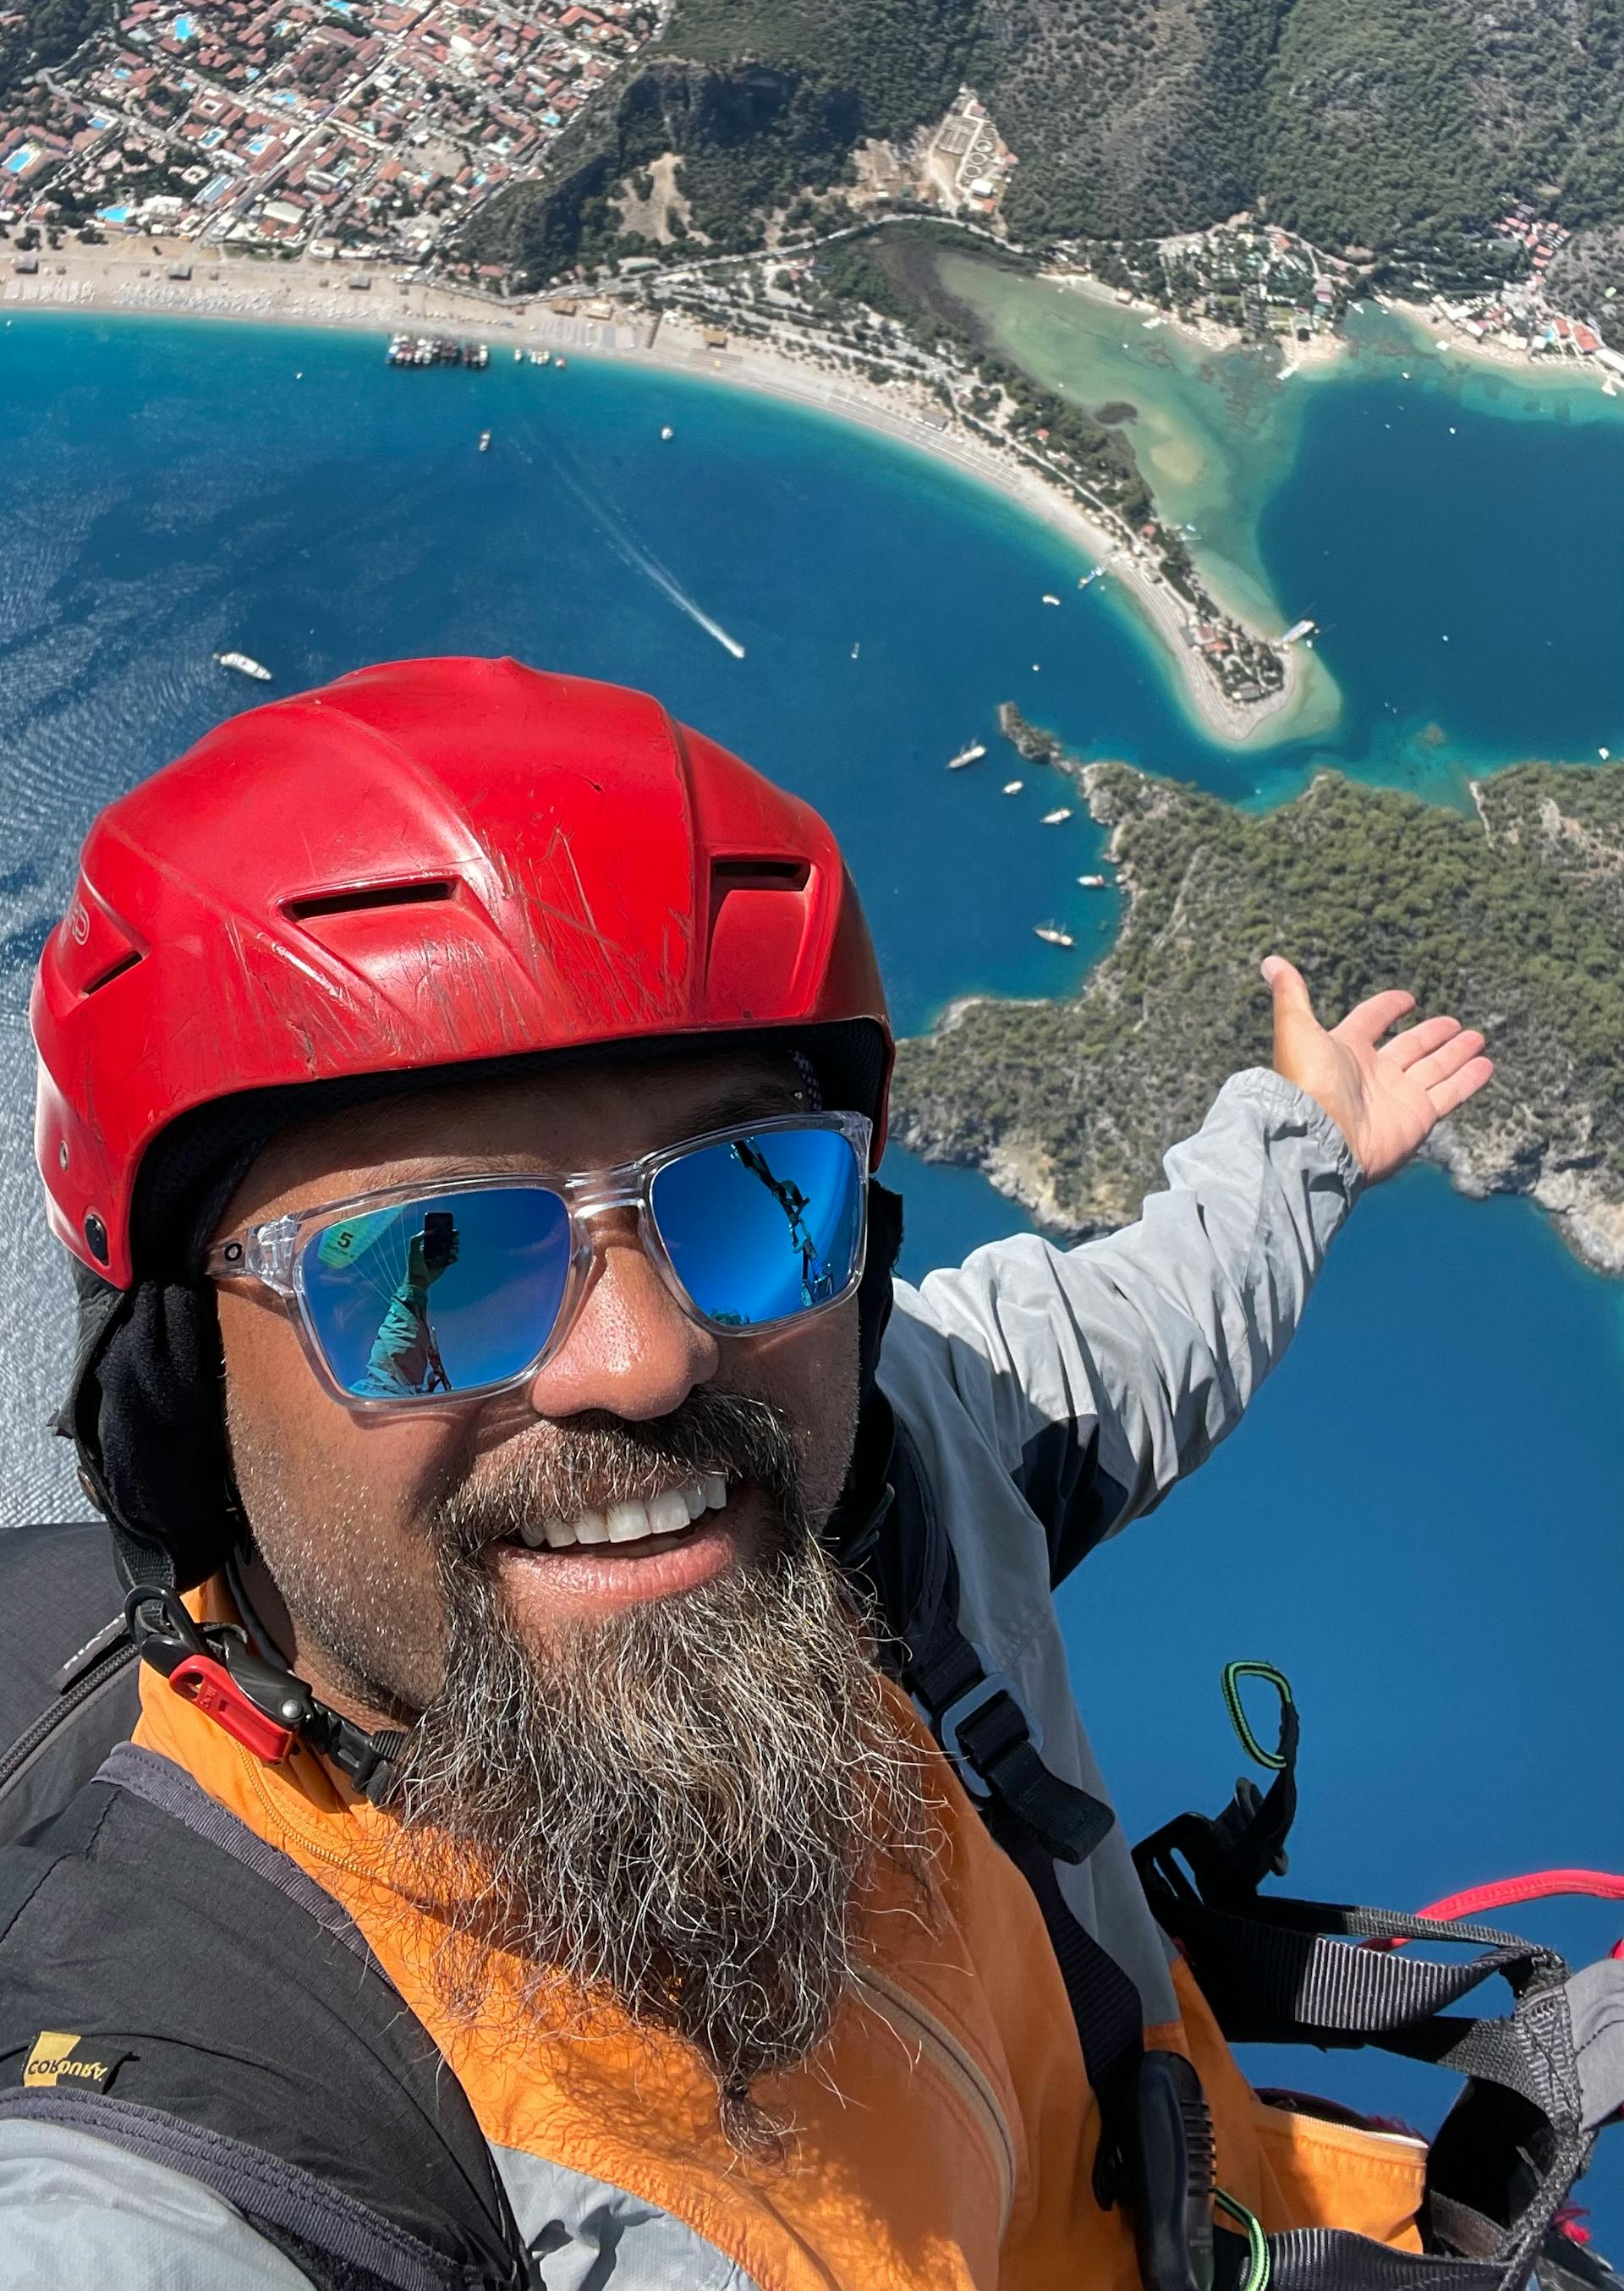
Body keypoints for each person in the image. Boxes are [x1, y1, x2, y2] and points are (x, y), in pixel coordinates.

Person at [0, 654, 1499, 2291]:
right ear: (182, 1380)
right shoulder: (245, 2121)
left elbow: (1120, 1338)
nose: (647, 1356)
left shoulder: (898, 1472)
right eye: (425, 1269)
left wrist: (1300, 1144)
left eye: (755, 1190)